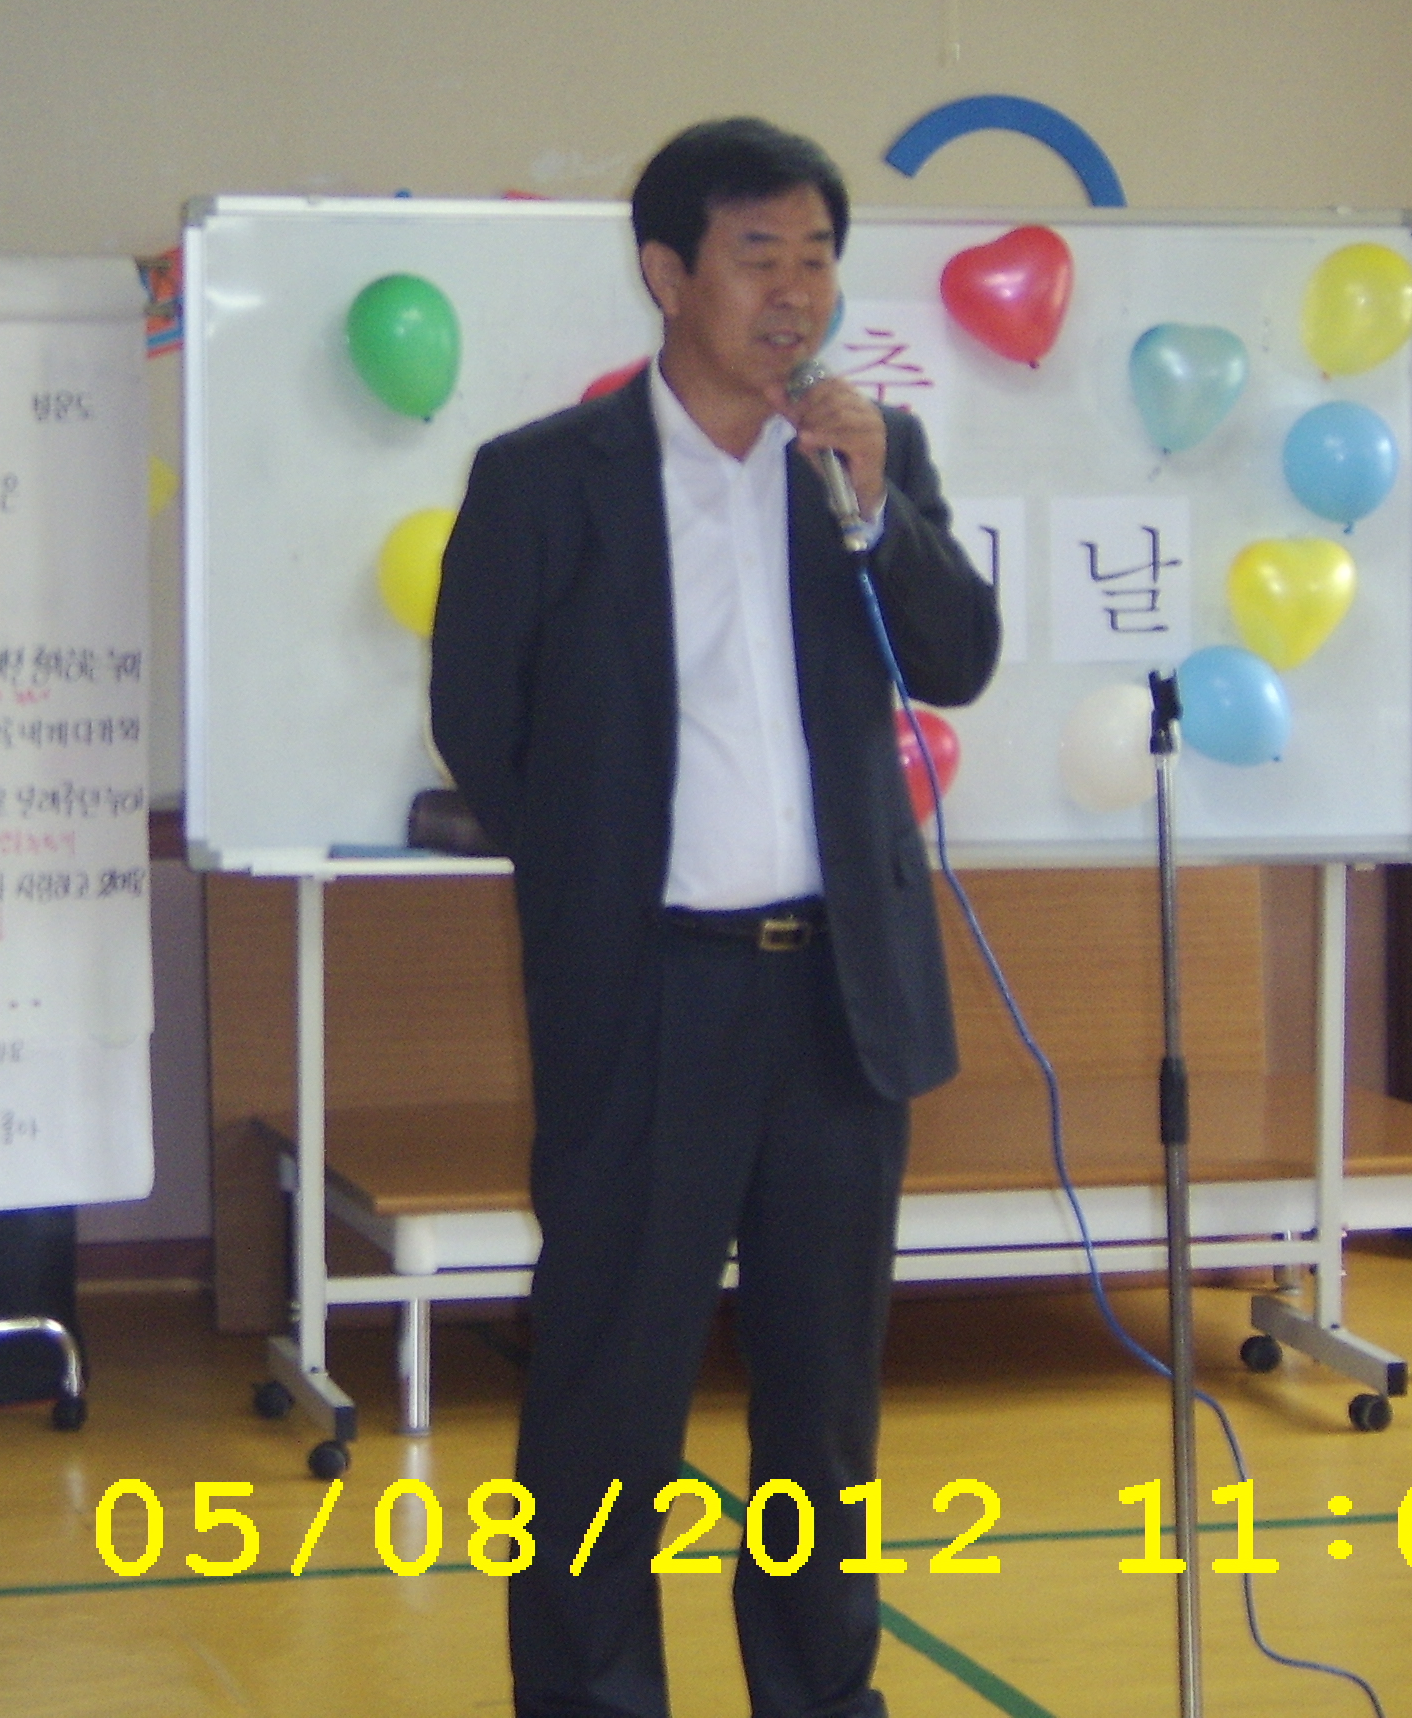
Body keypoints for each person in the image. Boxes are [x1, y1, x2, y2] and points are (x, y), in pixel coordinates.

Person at [430, 117, 1000, 1718]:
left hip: (838, 1007)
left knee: (823, 1413)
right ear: (667, 274)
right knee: (607, 1398)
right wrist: (610, 877)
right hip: (650, 1000)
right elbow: (481, 726)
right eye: (761, 258)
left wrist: (880, 507)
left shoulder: (865, 460)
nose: (796, 293)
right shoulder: (545, 481)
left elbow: (958, 659)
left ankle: (821, 1697)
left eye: (818, 258)